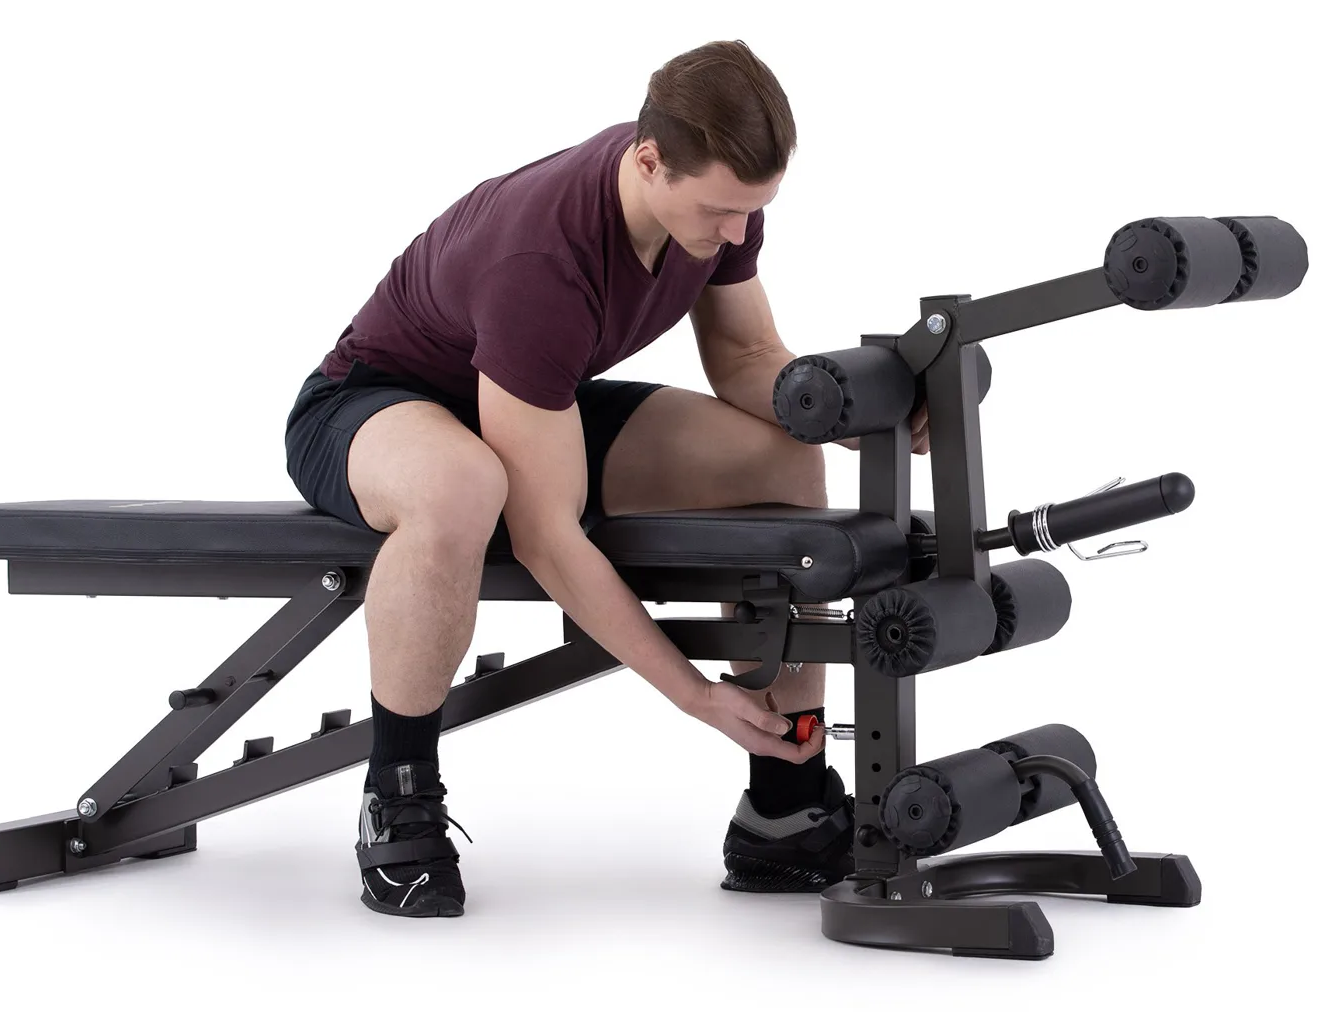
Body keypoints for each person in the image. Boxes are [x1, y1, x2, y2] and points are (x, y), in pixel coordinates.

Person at [283, 40, 932, 919]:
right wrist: (693, 694)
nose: (735, 234)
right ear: (649, 160)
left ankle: (785, 804)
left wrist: (861, 418)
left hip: (527, 401)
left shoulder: (716, 205)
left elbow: (746, 356)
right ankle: (396, 792)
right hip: (371, 408)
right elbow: (547, 536)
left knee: (781, 458)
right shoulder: (541, 262)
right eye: (719, 211)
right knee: (463, 485)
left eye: (752, 212)